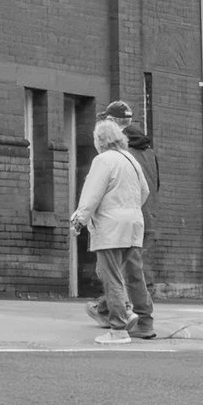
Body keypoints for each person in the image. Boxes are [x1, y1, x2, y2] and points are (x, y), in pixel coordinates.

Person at [72, 117, 155, 340]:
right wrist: (130, 210)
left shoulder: (103, 160)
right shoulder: (131, 160)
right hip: (134, 226)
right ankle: (136, 317)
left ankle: (119, 327)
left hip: (111, 228)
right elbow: (144, 191)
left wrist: (79, 219)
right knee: (122, 274)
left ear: (100, 140)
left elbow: (92, 194)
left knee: (111, 277)